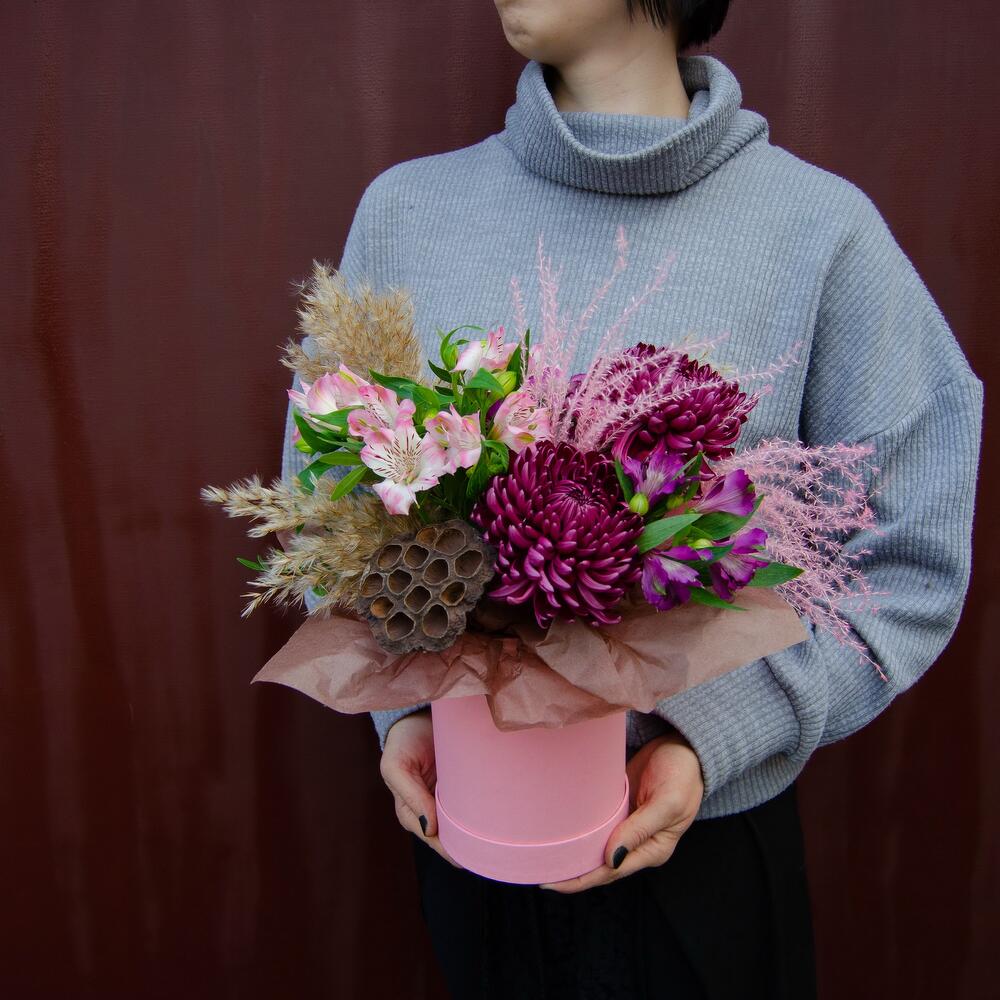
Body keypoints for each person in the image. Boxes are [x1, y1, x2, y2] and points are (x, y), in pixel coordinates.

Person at [281, 1, 984, 996]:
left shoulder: (818, 231)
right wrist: (401, 713)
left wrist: (720, 731)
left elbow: (908, 560)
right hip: (473, 841)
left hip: (708, 858)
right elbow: (327, 505)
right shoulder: (408, 213)